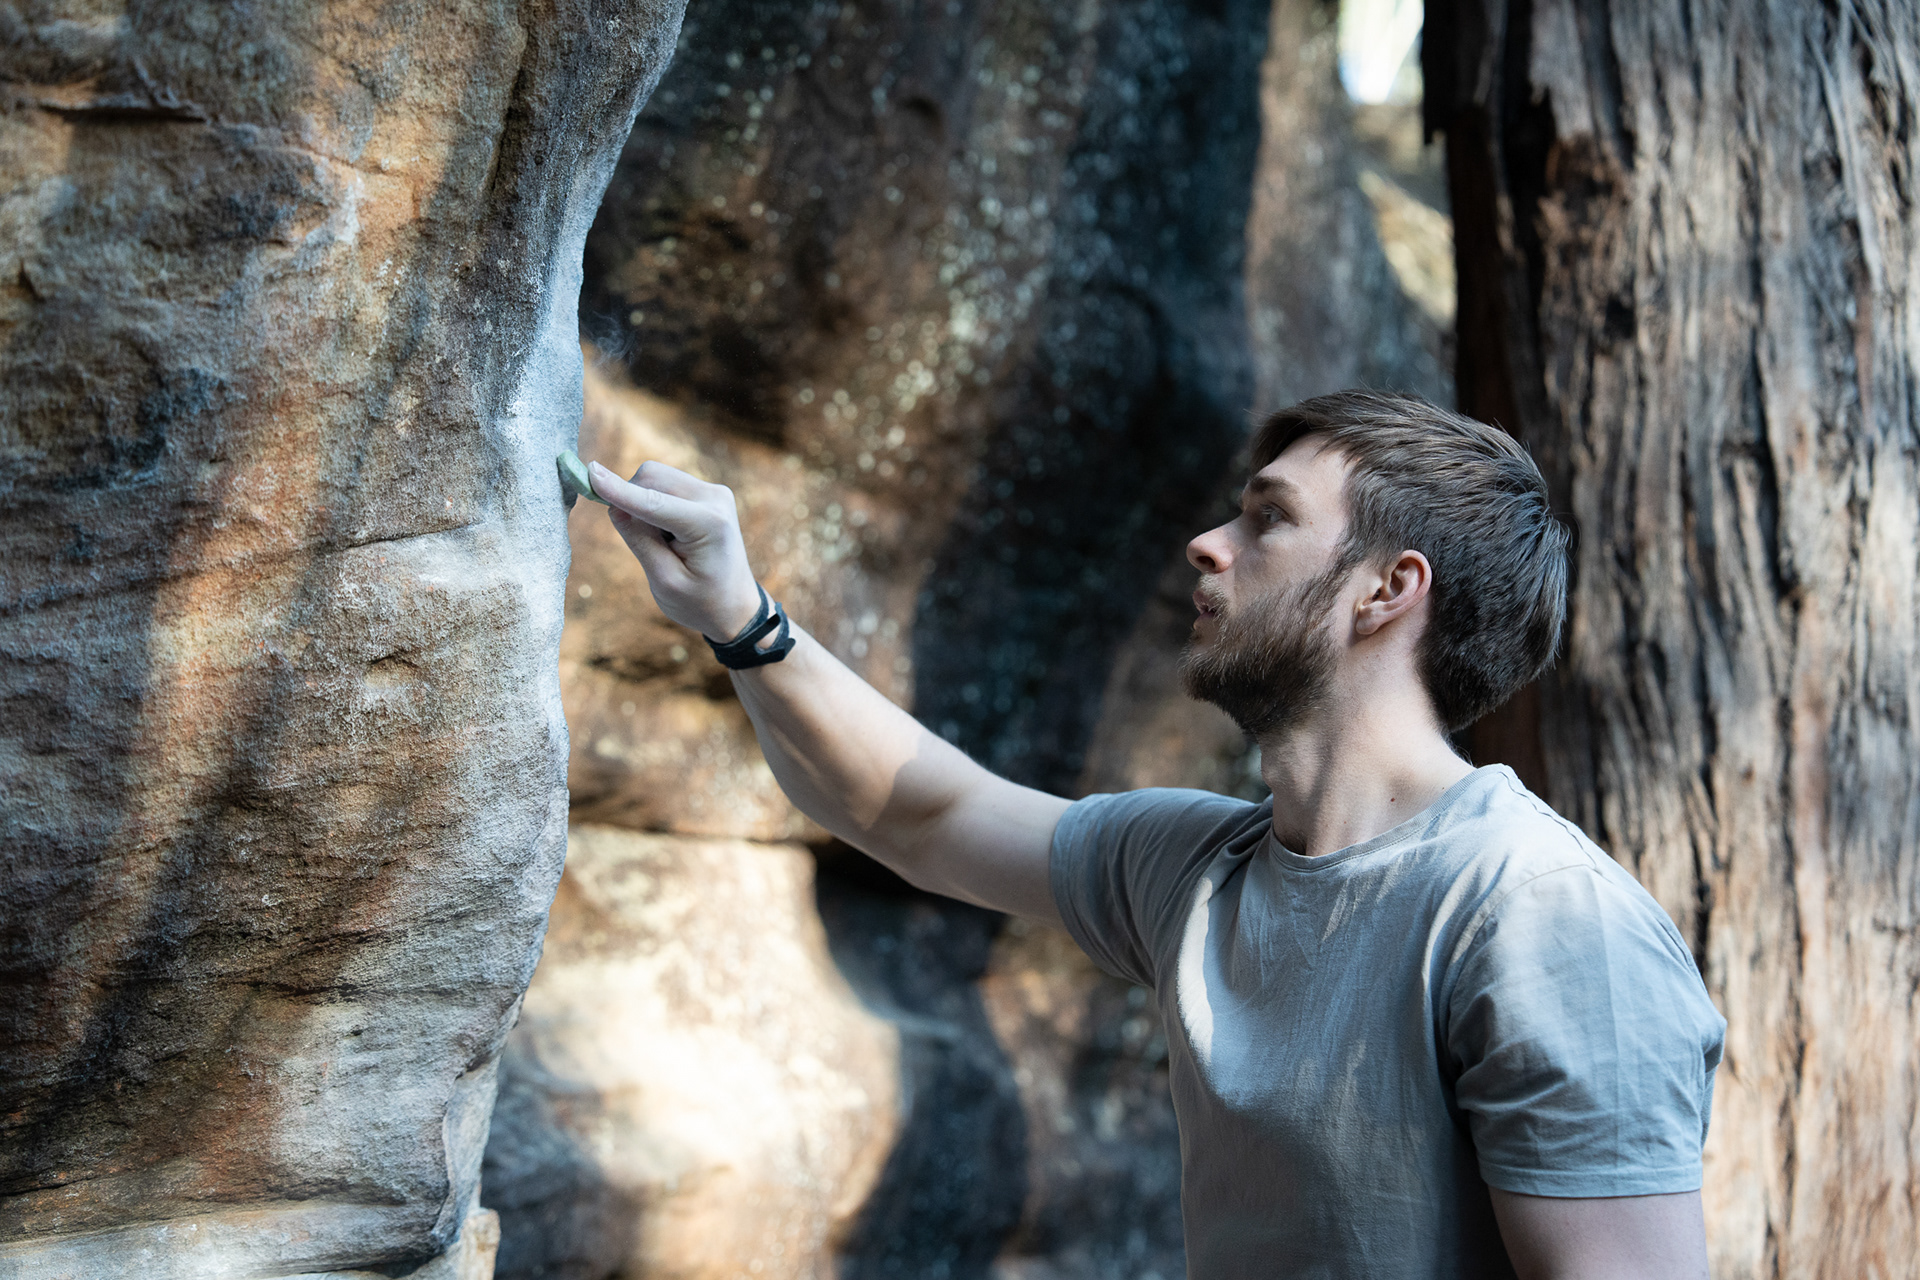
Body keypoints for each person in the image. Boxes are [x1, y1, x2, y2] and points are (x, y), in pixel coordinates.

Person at [585, 389, 1726, 1280]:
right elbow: (928, 813)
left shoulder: (1545, 918)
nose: (1207, 541)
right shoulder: (1200, 867)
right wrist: (740, 616)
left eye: (1268, 517)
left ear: (1387, 590)